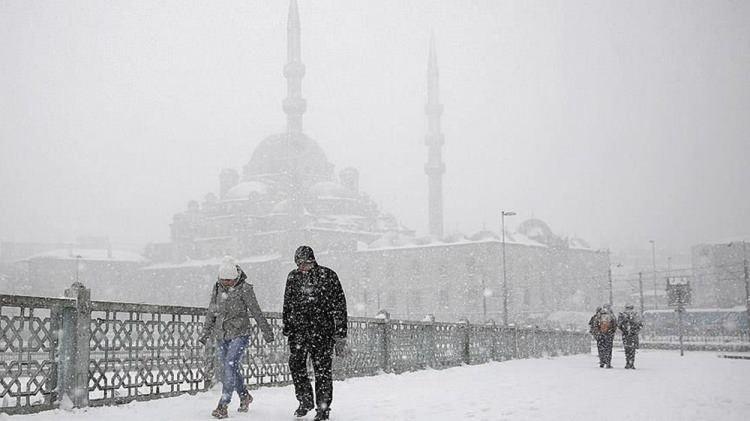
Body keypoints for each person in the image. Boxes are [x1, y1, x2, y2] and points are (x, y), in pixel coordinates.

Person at [199, 256, 275, 419]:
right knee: (231, 368)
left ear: (236, 278)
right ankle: (244, 396)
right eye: (224, 280)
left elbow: (256, 310)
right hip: (221, 334)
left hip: (240, 333)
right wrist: (205, 332)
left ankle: (223, 404)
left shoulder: (245, 289)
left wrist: (267, 331)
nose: (226, 283)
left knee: (230, 365)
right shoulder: (217, 288)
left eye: (230, 280)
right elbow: (212, 311)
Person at [283, 246, 348, 421]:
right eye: (299, 264)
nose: (302, 267)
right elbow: (288, 303)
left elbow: (340, 305)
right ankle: (305, 400)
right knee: (296, 365)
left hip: (323, 332)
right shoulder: (293, 277)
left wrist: (340, 332)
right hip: (299, 332)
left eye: (305, 263)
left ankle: (323, 408)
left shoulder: (328, 276)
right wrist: (287, 326)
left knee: (323, 371)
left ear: (313, 260)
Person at [618, 304, 644, 369]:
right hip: (633, 335)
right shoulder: (636, 315)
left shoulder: (622, 315)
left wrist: (624, 330)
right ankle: (632, 363)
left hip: (626, 334)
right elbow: (640, 325)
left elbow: (619, 325)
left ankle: (627, 362)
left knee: (627, 349)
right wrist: (636, 330)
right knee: (632, 350)